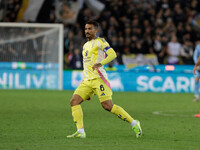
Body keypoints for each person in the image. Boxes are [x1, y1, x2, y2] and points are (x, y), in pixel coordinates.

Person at [67, 20, 142, 138]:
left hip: (99, 79)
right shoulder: (85, 45)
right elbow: (86, 65)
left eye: (90, 29)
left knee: (107, 106)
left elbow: (112, 54)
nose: (87, 31)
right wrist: (86, 82)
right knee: (74, 102)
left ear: (96, 30)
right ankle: (81, 132)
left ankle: (134, 123)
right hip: (87, 81)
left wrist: (100, 63)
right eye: (86, 29)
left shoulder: (100, 42)